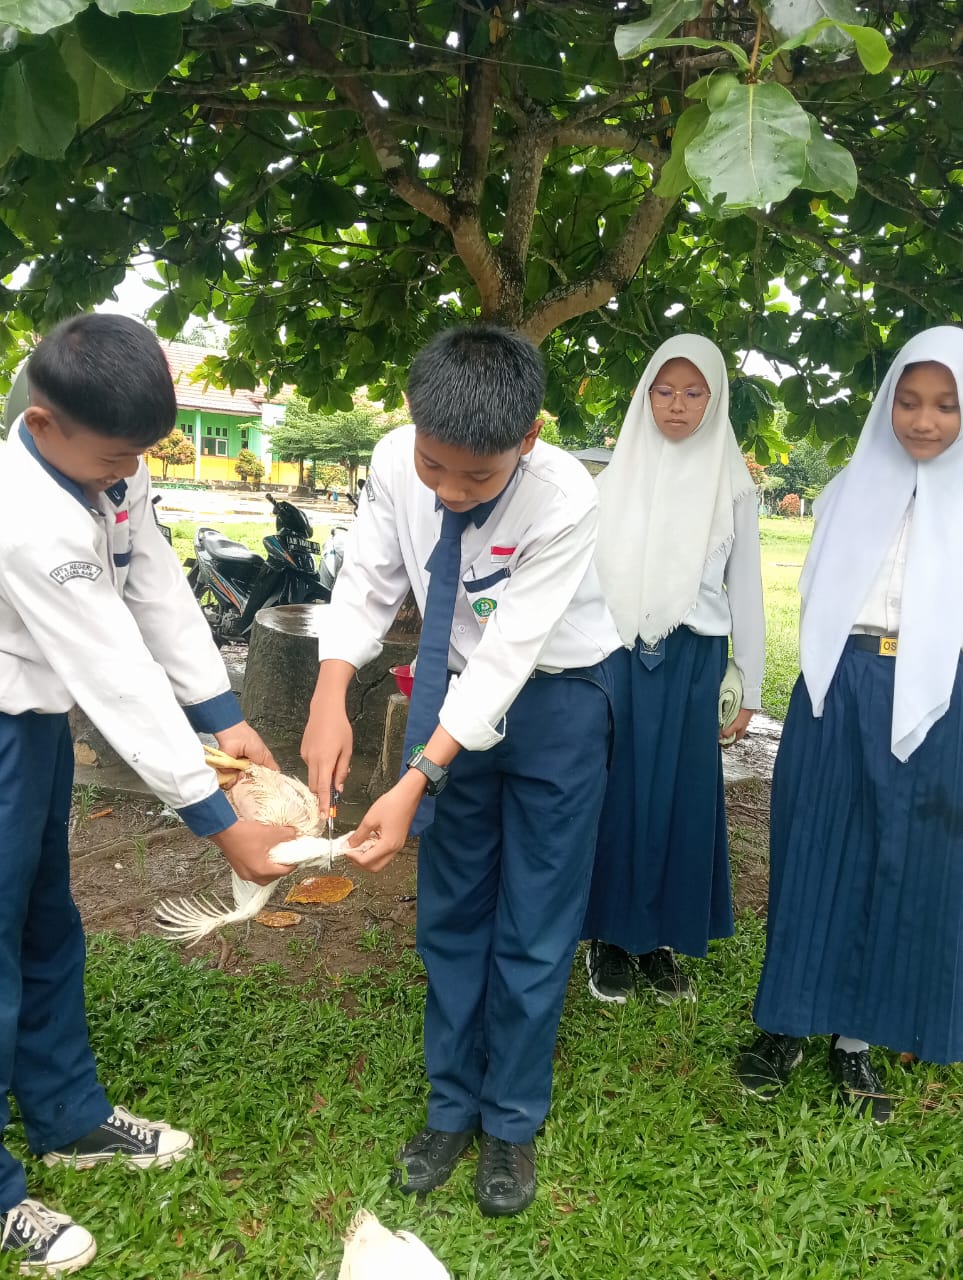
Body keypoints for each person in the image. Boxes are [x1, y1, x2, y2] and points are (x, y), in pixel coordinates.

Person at [300, 324, 620, 1217]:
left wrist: (414, 780)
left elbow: (512, 653)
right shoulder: (397, 458)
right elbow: (367, 577)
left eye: (476, 479)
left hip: (555, 701)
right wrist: (331, 692)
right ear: (411, 423)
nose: (447, 491)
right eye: (434, 468)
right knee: (451, 911)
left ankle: (510, 1120)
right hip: (452, 693)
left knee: (534, 922)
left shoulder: (565, 496)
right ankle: (450, 1107)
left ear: (526, 440)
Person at [0, 314, 294, 1274]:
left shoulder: (106, 470)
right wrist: (220, 824)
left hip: (32, 730)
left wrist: (224, 713)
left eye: (138, 455)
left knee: (45, 921)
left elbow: (154, 585)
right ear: (43, 426)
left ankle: (68, 1115)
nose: (126, 472)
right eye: (113, 455)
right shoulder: (25, 513)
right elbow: (112, 668)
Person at [737, 326, 963, 1124]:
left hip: (935, 701)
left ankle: (858, 1040)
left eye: (944, 404)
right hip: (838, 688)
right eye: (907, 401)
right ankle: (784, 1026)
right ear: (886, 402)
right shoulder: (845, 488)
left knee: (898, 864)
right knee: (811, 851)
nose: (923, 420)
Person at [582, 335, 765, 1004]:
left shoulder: (731, 487)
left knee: (682, 798)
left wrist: (747, 677)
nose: (677, 406)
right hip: (618, 654)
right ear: (644, 395)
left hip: (693, 657)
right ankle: (605, 938)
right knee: (618, 790)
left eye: (693, 393)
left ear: (713, 399)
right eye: (664, 391)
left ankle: (658, 941)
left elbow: (745, 587)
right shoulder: (613, 481)